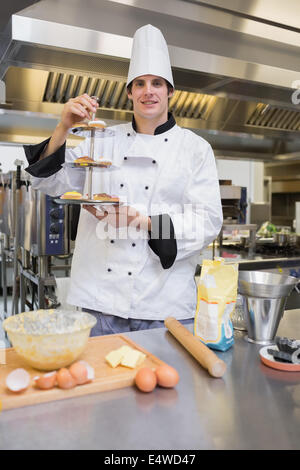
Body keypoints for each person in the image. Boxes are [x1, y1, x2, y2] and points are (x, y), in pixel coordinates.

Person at [23, 24, 223, 336]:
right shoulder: (100, 140)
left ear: (170, 91)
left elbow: (208, 222)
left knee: (165, 384)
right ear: (129, 92)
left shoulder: (196, 149)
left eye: (157, 83)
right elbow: (48, 182)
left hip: (164, 305)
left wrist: (142, 220)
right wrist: (64, 126)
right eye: (139, 84)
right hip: (100, 303)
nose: (148, 91)